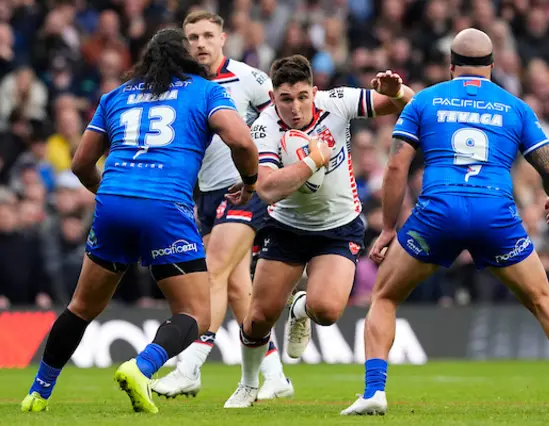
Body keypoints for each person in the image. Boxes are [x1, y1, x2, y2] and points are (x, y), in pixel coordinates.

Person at [341, 28, 549, 416]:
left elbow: (395, 166)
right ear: (492, 66)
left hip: (437, 213)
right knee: (543, 300)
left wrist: (389, 228)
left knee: (386, 297)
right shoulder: (515, 106)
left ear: (450, 65)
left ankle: (375, 391)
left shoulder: (424, 100)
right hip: (496, 214)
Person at [20, 28, 259, 414]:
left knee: (81, 307)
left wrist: (110, 194)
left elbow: (81, 163)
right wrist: (249, 185)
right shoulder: (205, 90)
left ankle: (38, 393)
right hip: (166, 206)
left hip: (113, 202)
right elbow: (243, 142)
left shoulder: (115, 96)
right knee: (195, 315)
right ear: (186, 58)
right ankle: (141, 365)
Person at [224, 54, 415, 408]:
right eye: (285, 99)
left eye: (302, 97)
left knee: (326, 311)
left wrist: (398, 91)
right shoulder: (265, 127)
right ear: (273, 96)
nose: (294, 107)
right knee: (258, 318)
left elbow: (407, 106)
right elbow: (266, 189)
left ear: (314, 91)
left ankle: (300, 310)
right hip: (286, 227)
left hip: (338, 227)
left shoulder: (337, 102)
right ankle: (249, 384)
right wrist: (313, 161)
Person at [150, 11, 292, 401]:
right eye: (192, 36)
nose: (199, 43)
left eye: (207, 35)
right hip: (208, 194)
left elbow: (285, 118)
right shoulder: (185, 84)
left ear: (223, 38)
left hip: (245, 190)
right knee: (236, 289)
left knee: (212, 270)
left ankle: (189, 365)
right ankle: (275, 373)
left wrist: (268, 167)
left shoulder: (249, 79)